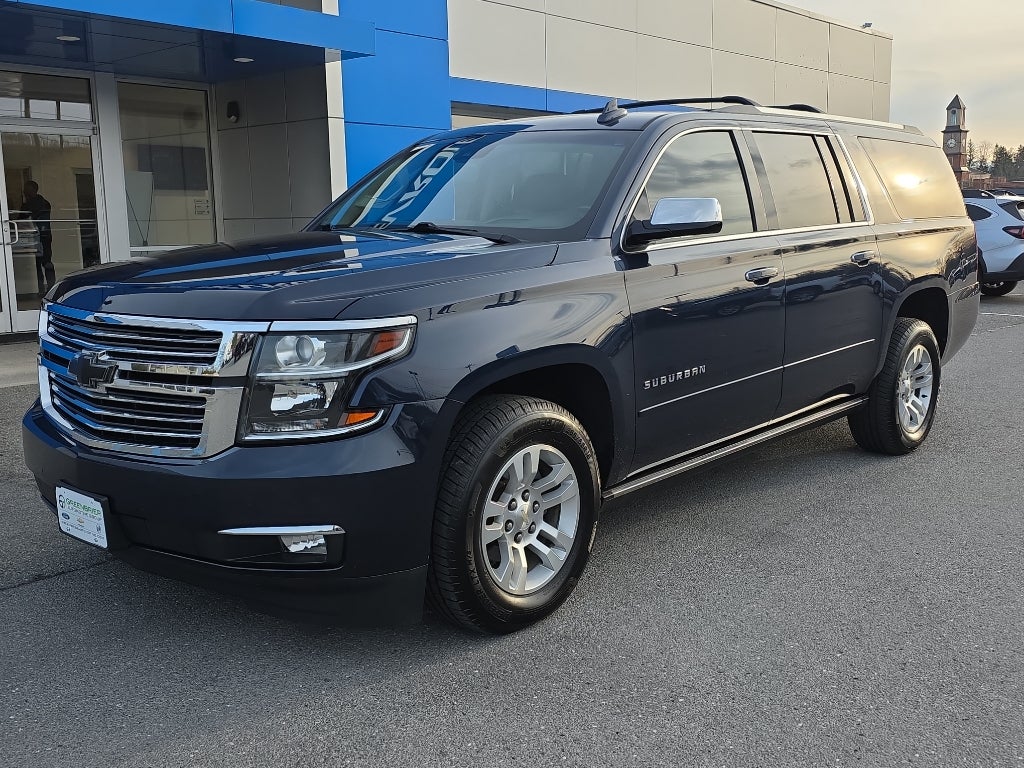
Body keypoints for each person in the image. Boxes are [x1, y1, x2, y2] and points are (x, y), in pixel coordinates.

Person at [21, 180, 55, 296]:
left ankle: (44, 289)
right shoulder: (45, 202)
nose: (24, 192)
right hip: (44, 234)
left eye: (26, 190)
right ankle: (50, 289)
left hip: (38, 235)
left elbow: (22, 219)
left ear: (32, 190)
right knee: (44, 262)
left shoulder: (31, 204)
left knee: (41, 263)